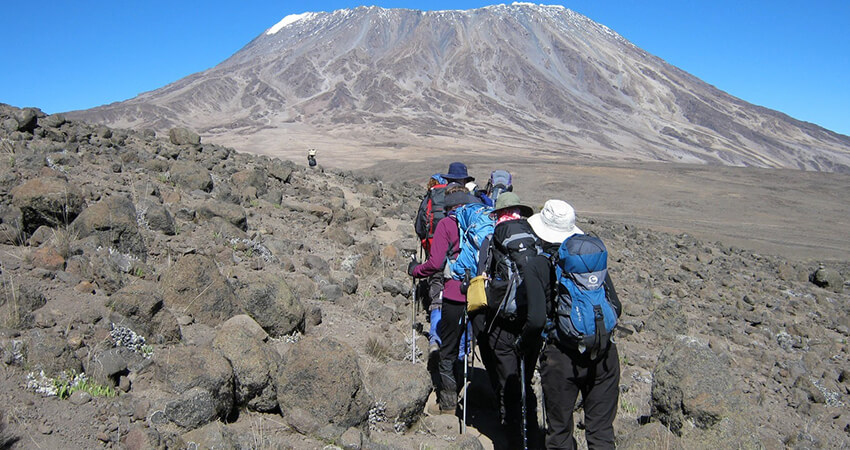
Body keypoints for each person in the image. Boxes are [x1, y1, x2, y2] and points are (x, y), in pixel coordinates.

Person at [523, 199, 622, 449]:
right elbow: (616, 307)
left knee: (559, 434)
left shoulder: (536, 264)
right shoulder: (590, 259)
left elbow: (535, 320)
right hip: (604, 353)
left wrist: (525, 346)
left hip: (561, 359)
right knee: (601, 433)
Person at [477, 192, 541, 447]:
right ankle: (532, 429)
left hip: (502, 322)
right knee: (527, 376)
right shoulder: (535, 238)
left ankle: (512, 432)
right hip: (532, 319)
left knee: (508, 379)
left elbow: (483, 277)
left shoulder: (493, 239)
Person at [409, 189, 481, 415]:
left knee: (447, 349)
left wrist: (415, 270)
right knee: (465, 344)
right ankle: (465, 391)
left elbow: (435, 263)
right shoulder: (480, 224)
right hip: (480, 294)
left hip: (454, 294)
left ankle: (448, 404)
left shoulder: (446, 225)